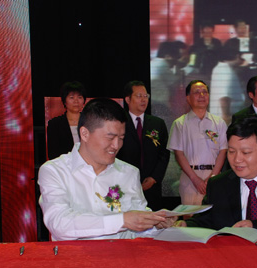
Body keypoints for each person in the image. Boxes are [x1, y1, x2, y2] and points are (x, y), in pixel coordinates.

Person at [38, 98, 172, 240]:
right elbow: (60, 223)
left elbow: (136, 228)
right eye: (110, 137)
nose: (116, 145)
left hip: (122, 253)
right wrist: (122, 220)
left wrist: (156, 224)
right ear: (84, 134)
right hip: (75, 254)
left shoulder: (129, 173)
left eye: (121, 138)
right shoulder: (55, 171)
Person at [168, 80, 228, 205]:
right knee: (190, 215)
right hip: (190, 178)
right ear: (188, 98)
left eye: (205, 92)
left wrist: (212, 177)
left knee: (215, 215)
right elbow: (179, 154)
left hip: (215, 177)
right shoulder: (180, 124)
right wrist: (195, 179)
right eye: (197, 92)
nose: (202, 95)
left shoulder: (219, 123)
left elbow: (223, 151)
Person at [116, 81, 170, 211]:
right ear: (128, 99)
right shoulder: (119, 123)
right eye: (139, 96)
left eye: (146, 96)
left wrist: (154, 178)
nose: (143, 99)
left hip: (151, 186)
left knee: (152, 217)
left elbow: (164, 153)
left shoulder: (157, 124)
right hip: (124, 184)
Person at [46, 81, 86, 160]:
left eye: (79, 97)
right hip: (65, 164)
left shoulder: (90, 122)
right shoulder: (55, 124)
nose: (76, 101)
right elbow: (53, 154)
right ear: (64, 101)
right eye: (71, 97)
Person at [209, 49, 246, 124]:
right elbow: (224, 97)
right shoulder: (227, 72)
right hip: (226, 120)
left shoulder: (219, 68)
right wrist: (226, 117)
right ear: (237, 56)